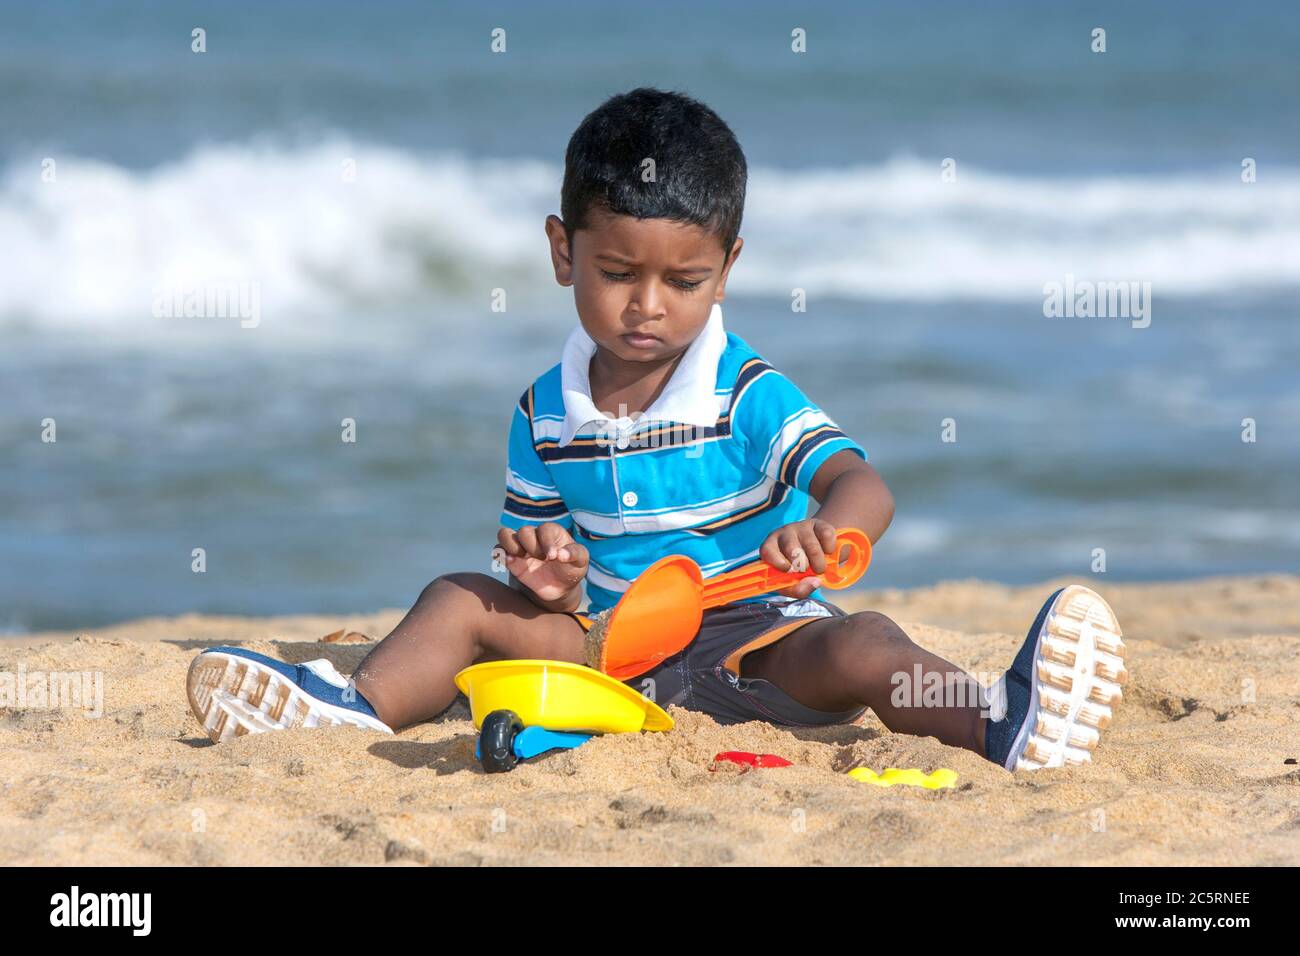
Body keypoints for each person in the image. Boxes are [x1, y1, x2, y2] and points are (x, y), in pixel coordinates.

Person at [186, 88, 1126, 771]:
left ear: (726, 269)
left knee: (865, 644)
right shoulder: (542, 413)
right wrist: (545, 575)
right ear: (563, 253)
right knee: (461, 597)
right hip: (608, 657)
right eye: (616, 271)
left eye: (682, 281)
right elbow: (545, 561)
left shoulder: (740, 388)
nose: (647, 307)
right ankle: (349, 709)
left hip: (759, 638)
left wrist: (830, 530)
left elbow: (863, 485)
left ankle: (1001, 724)